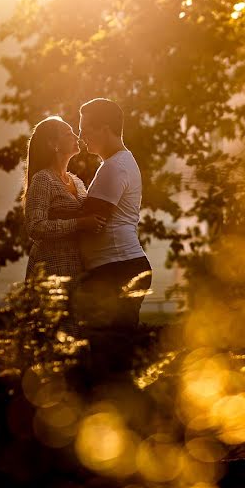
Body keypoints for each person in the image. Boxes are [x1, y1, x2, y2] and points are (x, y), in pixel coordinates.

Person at [74, 98, 152, 336]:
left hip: (117, 269)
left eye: (86, 130)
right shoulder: (115, 163)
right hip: (114, 267)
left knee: (110, 352)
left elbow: (90, 221)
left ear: (104, 129)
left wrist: (53, 208)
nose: (81, 136)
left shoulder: (115, 167)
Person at [23, 116, 105, 334]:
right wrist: (78, 224)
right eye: (68, 134)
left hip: (76, 271)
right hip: (50, 269)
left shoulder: (76, 182)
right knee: (52, 337)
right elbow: (35, 227)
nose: (76, 137)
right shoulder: (43, 180)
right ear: (53, 144)